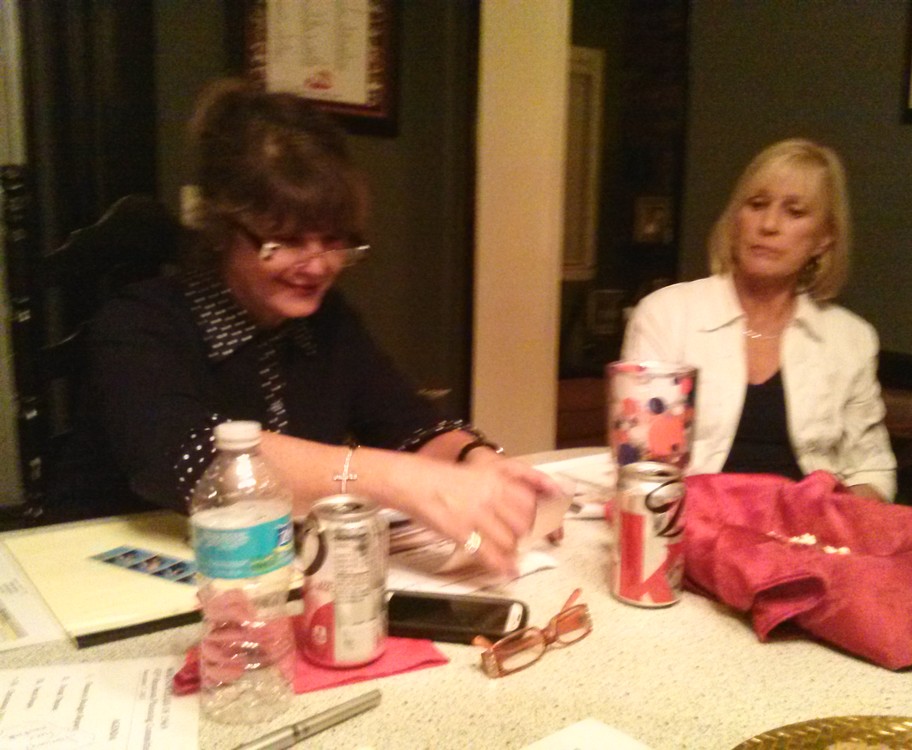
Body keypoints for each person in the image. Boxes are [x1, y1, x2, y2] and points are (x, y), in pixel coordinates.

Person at [61, 79, 561, 574]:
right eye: (287, 240)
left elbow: (410, 423)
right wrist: (405, 480)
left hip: (263, 577)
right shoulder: (138, 324)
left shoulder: (327, 321)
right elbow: (196, 459)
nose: (318, 265)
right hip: (95, 579)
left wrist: (477, 459)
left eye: (334, 240)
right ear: (222, 230)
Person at [622, 139, 896, 500]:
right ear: (737, 219)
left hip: (809, 526)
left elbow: (872, 469)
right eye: (757, 205)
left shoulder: (851, 338)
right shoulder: (666, 315)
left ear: (824, 239)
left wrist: (837, 521)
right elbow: (643, 464)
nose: (768, 224)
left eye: (794, 212)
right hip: (692, 520)